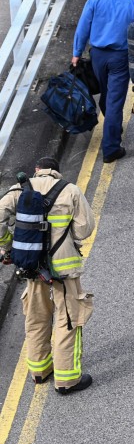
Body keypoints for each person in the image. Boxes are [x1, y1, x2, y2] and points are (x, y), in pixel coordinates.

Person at [0, 157, 96, 394]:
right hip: (63, 267)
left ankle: (40, 371)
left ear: (36, 170)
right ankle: (67, 380)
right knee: (68, 319)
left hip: (31, 263)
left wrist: (7, 244)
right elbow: (85, 229)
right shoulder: (70, 190)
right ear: (57, 172)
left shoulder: (19, 190)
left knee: (36, 317)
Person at [72, 0, 134, 163]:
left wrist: (76, 53)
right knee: (114, 101)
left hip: (98, 56)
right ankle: (111, 148)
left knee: (107, 95)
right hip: (120, 59)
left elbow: (83, 29)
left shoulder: (95, 0)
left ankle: (112, 126)